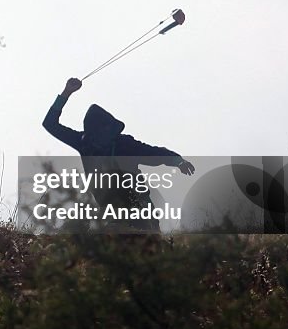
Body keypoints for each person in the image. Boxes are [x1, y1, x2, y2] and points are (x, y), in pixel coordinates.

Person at [42, 77, 194, 231]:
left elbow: (155, 152)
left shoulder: (125, 145)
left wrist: (178, 161)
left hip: (139, 205)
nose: (99, 138)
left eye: (105, 132)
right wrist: (66, 93)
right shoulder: (84, 143)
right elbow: (50, 124)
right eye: (96, 134)